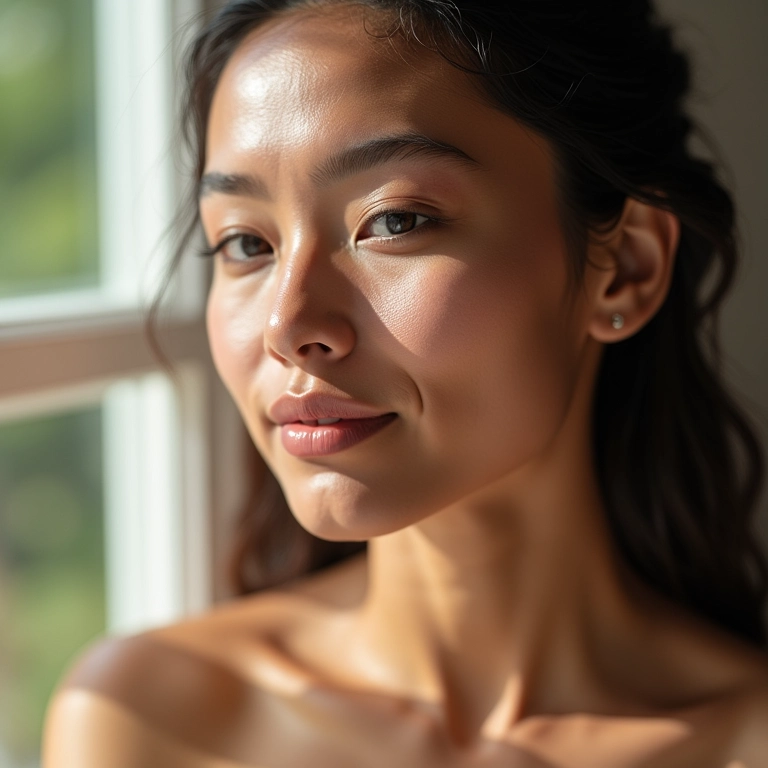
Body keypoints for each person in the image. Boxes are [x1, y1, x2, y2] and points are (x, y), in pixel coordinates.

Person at [43, 1, 768, 765]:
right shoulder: (148, 714)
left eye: (395, 222)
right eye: (246, 242)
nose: (287, 324)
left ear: (625, 270)